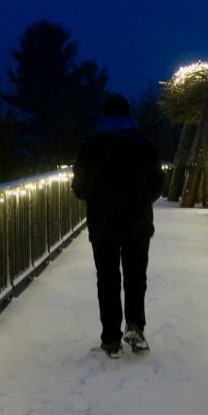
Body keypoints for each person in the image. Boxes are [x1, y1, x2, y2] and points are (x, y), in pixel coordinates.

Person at [71, 92, 164, 357]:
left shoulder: (91, 146)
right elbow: (157, 185)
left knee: (107, 280)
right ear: (127, 115)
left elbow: (78, 187)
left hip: (102, 226)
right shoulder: (144, 145)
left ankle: (111, 338)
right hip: (137, 224)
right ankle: (135, 325)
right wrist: (139, 199)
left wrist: (99, 196)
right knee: (136, 278)